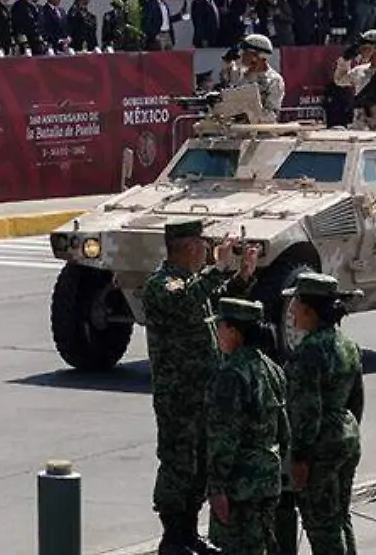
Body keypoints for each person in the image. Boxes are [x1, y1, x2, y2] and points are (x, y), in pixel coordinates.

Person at [140, 220, 258, 555]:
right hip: (178, 394)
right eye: (203, 245)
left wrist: (242, 275)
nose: (207, 251)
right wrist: (218, 268)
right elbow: (186, 300)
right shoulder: (161, 285)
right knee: (179, 462)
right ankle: (173, 536)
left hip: (204, 391)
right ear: (188, 246)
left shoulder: (194, 283)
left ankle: (190, 533)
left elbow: (221, 301)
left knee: (201, 464)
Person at [283, 273, 364, 555]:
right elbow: (357, 399)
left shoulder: (308, 352)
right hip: (346, 436)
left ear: (309, 309)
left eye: (295, 303)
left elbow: (307, 411)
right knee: (340, 516)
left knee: (322, 525)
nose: (291, 310)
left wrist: (300, 457)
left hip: (320, 447)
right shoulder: (348, 344)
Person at [205, 297, 290, 555]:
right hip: (267, 477)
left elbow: (224, 436)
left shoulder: (231, 374)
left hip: (239, 484)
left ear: (233, 331)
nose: (217, 333)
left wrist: (217, 487)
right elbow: (283, 428)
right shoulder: (272, 368)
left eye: (220, 326)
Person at [224, 34, 284, 123]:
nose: (241, 55)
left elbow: (272, 113)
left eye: (245, 52)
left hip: (262, 133)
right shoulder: (240, 73)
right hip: (236, 131)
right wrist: (227, 60)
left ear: (256, 56)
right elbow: (226, 75)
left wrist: (248, 115)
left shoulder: (274, 80)